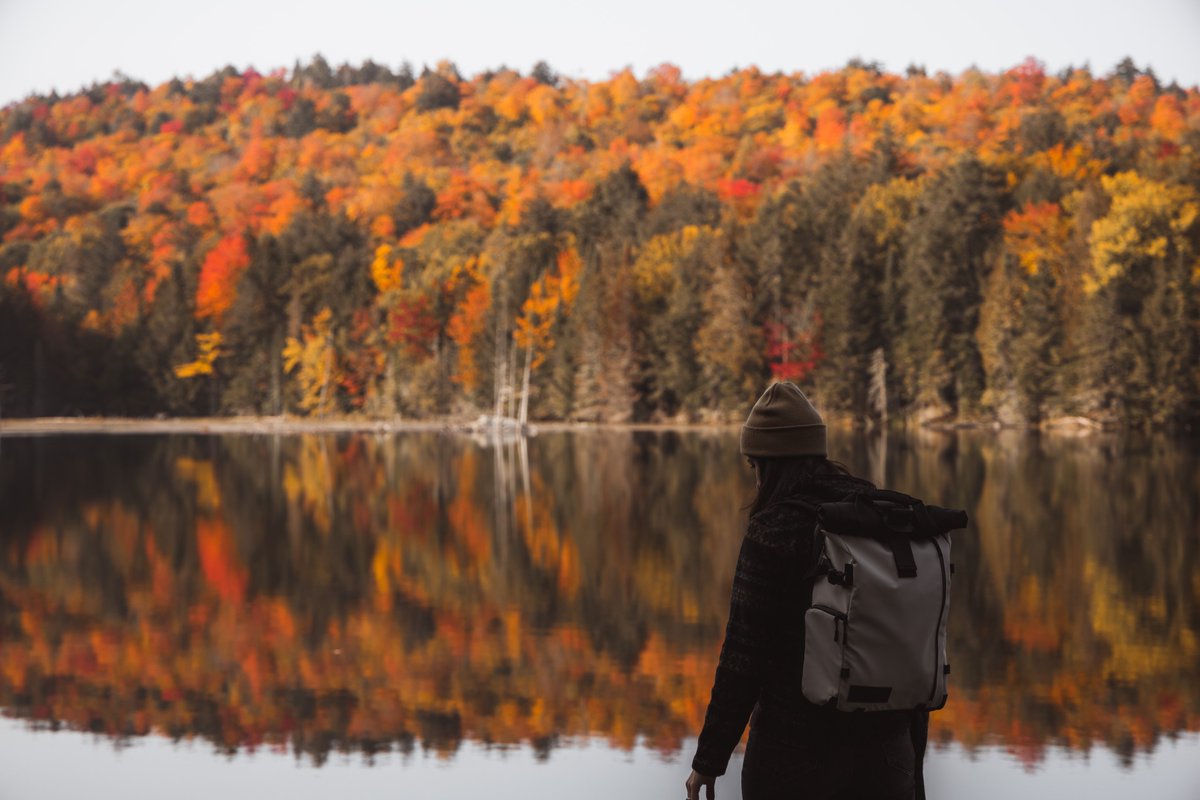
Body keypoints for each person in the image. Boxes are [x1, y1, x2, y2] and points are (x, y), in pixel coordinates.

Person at [685, 381, 928, 800]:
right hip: (886, 751)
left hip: (792, 755)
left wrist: (709, 760)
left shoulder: (774, 529)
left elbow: (743, 657)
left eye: (754, 465)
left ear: (767, 463)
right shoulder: (876, 515)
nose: (755, 478)